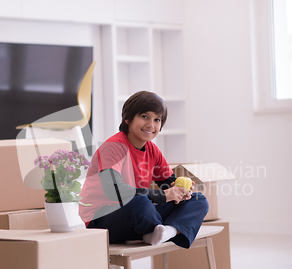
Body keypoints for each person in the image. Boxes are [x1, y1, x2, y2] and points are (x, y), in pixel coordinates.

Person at [79, 91, 209, 248]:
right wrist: (163, 196)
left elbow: (168, 183)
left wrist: (180, 191)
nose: (151, 125)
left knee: (198, 199)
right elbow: (114, 190)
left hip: (137, 220)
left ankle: (167, 231)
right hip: (101, 221)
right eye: (144, 117)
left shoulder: (152, 150)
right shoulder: (113, 147)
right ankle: (157, 231)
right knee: (140, 202)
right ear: (128, 118)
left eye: (157, 119)